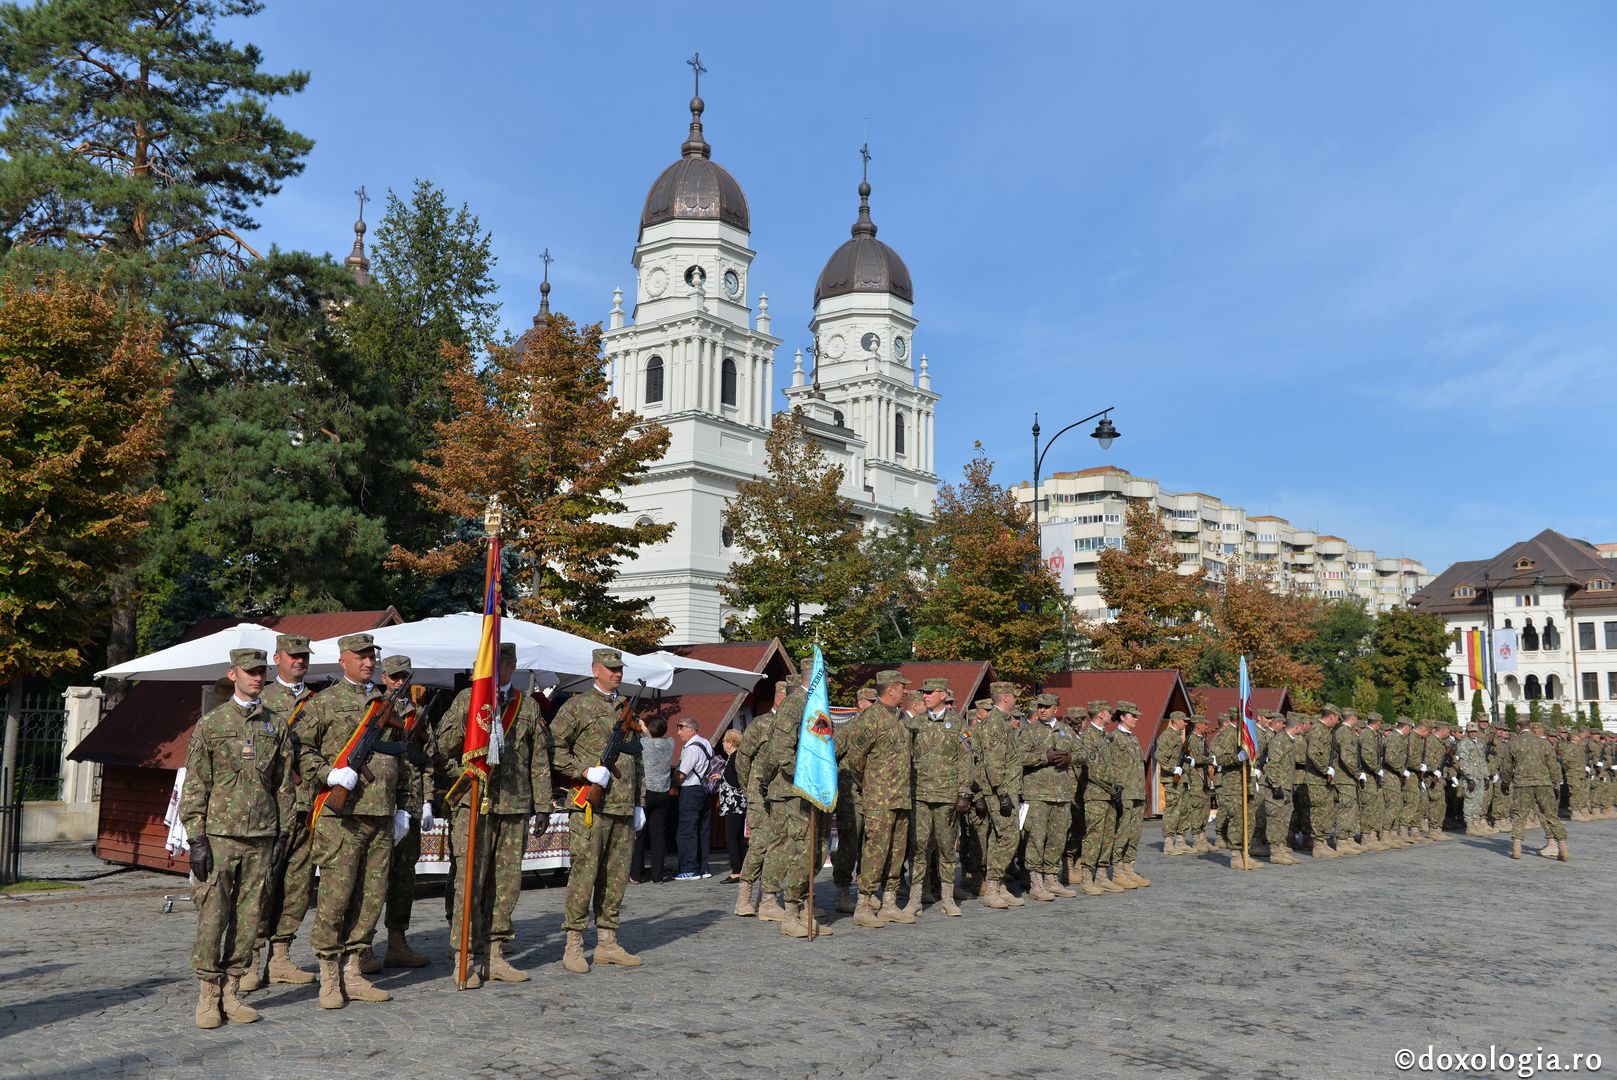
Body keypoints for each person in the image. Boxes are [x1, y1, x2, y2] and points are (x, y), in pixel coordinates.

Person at [299, 632, 413, 1009]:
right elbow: (298, 749)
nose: (368, 663)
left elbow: (402, 759)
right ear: (342, 660)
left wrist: (403, 807)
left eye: (371, 657)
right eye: (360, 657)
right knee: (336, 898)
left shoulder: (385, 703)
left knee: (371, 897)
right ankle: (329, 976)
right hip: (342, 817)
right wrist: (327, 774)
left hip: (381, 816)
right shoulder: (325, 702)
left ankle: (354, 970)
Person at [181, 647, 294, 1029]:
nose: (256, 677)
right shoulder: (212, 724)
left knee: (249, 918)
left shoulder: (276, 725)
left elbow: (283, 785)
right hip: (220, 836)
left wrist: (282, 833)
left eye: (261, 671)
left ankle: (233, 991)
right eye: (249, 672)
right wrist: (196, 837)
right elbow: (196, 784)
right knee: (213, 916)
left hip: (261, 835)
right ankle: (208, 995)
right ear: (232, 674)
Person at [440, 642, 552, 985]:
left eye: (503, 662)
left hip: (514, 805)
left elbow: (539, 760)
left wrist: (544, 805)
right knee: (469, 881)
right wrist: (463, 775)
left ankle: (495, 953)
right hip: (475, 802)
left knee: (506, 884)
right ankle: (465, 955)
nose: (497, 668)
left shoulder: (527, 706)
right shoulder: (467, 700)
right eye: (491, 662)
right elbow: (441, 748)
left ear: (513, 665)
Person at [551, 648, 646, 973]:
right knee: (584, 875)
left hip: (622, 806)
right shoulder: (578, 705)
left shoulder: (625, 707)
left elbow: (636, 758)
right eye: (610, 668)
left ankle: (607, 942)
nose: (616, 673)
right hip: (590, 807)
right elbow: (553, 747)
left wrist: (639, 802)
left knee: (616, 877)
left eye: (619, 668)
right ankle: (574, 943)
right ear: (595, 670)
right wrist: (584, 771)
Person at [241, 633, 316, 991]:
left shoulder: (319, 700)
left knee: (298, 884)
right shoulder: (262, 699)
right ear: (278, 658)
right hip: (272, 808)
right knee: (263, 882)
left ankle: (281, 956)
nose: (299, 661)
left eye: (304, 656)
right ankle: (252, 956)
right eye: (293, 656)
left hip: (310, 807)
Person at [369, 655, 431, 972]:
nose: (399, 682)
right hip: (377, 806)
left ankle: (397, 943)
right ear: (384, 678)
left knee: (404, 880)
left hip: (411, 806)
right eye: (394, 677)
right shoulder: (374, 709)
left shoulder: (416, 714)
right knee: (370, 881)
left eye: (403, 677)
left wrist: (429, 801)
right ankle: (363, 947)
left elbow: (426, 759)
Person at [839, 670, 914, 928]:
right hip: (879, 798)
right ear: (891, 689)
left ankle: (890, 903)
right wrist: (872, 783)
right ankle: (864, 903)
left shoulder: (901, 718)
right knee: (875, 852)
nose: (906, 691)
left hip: (901, 797)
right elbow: (856, 759)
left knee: (896, 852)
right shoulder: (871, 718)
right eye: (902, 687)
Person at [906, 677, 973, 916]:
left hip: (947, 797)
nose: (924, 696)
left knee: (946, 849)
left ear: (943, 695)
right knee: (918, 848)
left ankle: (947, 898)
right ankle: (915, 898)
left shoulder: (957, 724)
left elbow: (966, 761)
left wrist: (963, 793)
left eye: (929, 692)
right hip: (920, 795)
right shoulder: (916, 724)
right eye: (923, 692)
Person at [733, 681, 788, 917]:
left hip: (783, 794)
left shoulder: (792, 726)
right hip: (760, 794)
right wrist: (750, 788)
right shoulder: (762, 724)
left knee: (781, 846)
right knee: (759, 845)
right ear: (779, 699)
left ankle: (769, 899)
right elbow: (742, 759)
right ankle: (744, 898)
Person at [971, 682, 1025, 910]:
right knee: (1009, 837)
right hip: (999, 790)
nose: (1016, 700)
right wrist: (1002, 793)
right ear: (1005, 698)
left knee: (998, 838)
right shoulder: (994, 724)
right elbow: (993, 763)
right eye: (1014, 696)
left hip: (1006, 788)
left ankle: (999, 884)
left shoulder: (1001, 722)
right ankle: (992, 887)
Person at [1016, 693, 1075, 902]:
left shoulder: (1066, 730)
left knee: (1057, 838)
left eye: (1047, 707)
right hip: (1037, 794)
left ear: (1055, 709)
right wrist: (1044, 757)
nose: (1042, 710)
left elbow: (1084, 753)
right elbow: (1018, 757)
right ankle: (1035, 881)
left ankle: (1051, 878)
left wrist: (1070, 758)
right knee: (1036, 838)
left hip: (1061, 793)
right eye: (1040, 706)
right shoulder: (1029, 731)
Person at [830, 685, 876, 913]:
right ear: (860, 704)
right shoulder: (848, 730)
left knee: (870, 844)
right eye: (870, 702)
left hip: (873, 794)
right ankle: (842, 890)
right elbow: (831, 756)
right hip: (851, 795)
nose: (873, 707)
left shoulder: (876, 727)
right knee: (849, 842)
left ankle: (865, 889)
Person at [1501, 714, 1570, 861]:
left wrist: (1505, 783)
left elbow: (1507, 767)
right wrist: (1556, 783)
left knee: (1519, 815)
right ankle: (1562, 846)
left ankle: (1517, 847)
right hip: (1543, 783)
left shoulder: (1513, 743)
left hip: (1522, 784)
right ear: (1530, 726)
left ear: (1518, 727)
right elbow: (1553, 765)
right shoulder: (1543, 743)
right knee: (1550, 814)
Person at [1076, 700, 1122, 895]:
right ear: (1101, 714)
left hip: (1110, 795)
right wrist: (1111, 787)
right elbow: (1093, 770)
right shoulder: (1089, 737)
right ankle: (1087, 877)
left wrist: (1118, 786)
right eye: (1108, 712)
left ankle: (1102, 875)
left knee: (1108, 834)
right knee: (1093, 835)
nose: (1112, 715)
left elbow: (1114, 765)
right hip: (1096, 794)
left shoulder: (1106, 737)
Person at [1109, 702, 1150, 886]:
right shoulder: (1114, 738)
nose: (1136, 719)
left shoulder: (1133, 738)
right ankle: (1117, 870)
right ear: (1123, 716)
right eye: (1132, 715)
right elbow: (1111, 767)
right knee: (1122, 833)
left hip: (1137, 793)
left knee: (1135, 834)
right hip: (1124, 793)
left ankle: (1128, 866)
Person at [631, 714, 675, 884]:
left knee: (640, 833)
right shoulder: (670, 743)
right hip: (663, 792)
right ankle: (657, 874)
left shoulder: (644, 743)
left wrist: (642, 726)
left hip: (645, 791)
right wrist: (646, 728)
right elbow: (655, 738)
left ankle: (636, 874)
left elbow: (647, 738)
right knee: (658, 835)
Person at [674, 717, 714, 880]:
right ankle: (704, 868)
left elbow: (682, 774)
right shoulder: (706, 743)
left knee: (687, 830)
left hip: (691, 790)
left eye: (681, 728)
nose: (678, 732)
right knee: (703, 830)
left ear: (691, 729)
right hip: (704, 790)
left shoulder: (691, 749)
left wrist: (672, 786)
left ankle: (689, 868)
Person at [1154, 711, 1189, 855]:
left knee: (1183, 809)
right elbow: (1159, 756)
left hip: (1181, 780)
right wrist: (1172, 769)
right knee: (1172, 810)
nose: (1186, 723)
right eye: (1184, 721)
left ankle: (1180, 841)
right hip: (1171, 780)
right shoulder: (1167, 736)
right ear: (1176, 720)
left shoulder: (1177, 736)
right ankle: (1168, 843)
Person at [716, 728, 747, 881]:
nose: (723, 744)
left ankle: (736, 871)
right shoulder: (735, 757)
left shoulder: (734, 758)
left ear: (729, 743)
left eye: (723, 741)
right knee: (738, 837)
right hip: (737, 804)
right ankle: (742, 869)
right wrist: (720, 776)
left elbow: (734, 780)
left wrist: (722, 778)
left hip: (734, 804)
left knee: (731, 837)